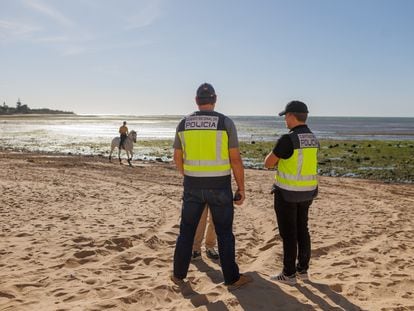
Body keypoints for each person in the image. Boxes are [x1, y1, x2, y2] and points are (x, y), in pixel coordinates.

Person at [171, 82, 253, 289]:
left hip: (192, 185)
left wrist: (188, 175)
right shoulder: (225, 122)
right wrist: (241, 188)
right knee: (225, 233)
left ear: (197, 101)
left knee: (186, 231)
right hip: (219, 186)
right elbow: (235, 159)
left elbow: (177, 158)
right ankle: (232, 278)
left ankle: (178, 275)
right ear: (214, 100)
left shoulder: (184, 123)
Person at [264, 100, 319, 285]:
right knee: (303, 230)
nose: (284, 121)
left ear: (291, 116)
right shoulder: (313, 138)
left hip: (287, 193)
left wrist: (280, 161)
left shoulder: (288, 139)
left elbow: (268, 163)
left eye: (285, 117)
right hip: (308, 192)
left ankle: (288, 274)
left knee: (289, 234)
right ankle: (302, 270)